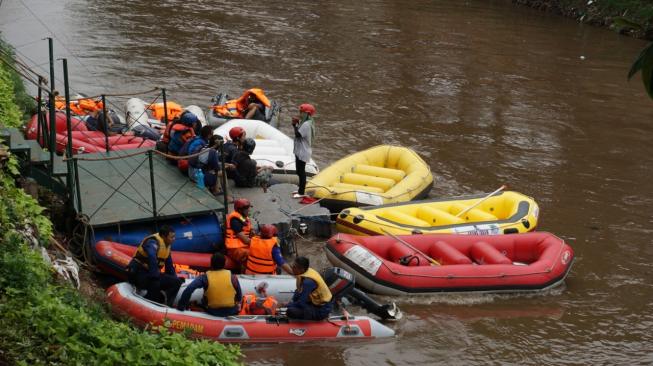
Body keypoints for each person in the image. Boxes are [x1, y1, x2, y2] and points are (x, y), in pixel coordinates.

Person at [127, 225, 183, 306]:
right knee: (155, 283)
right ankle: (148, 303)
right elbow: (152, 256)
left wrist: (174, 278)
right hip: (138, 273)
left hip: (150, 273)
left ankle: (166, 303)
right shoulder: (152, 242)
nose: (174, 239)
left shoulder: (167, 246)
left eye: (174, 237)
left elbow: (169, 266)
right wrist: (155, 276)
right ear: (164, 236)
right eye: (172, 237)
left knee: (176, 282)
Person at [176, 252, 242, 316]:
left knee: (197, 302)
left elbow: (189, 288)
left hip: (213, 311)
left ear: (211, 264)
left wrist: (181, 305)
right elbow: (239, 296)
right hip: (231, 311)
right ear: (224, 264)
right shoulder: (232, 276)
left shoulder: (205, 277)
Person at [286, 256, 333, 320]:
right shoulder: (305, 272)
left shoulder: (308, 282)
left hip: (322, 309)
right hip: (315, 304)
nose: (292, 268)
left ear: (301, 269)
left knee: (290, 311)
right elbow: (298, 291)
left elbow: (301, 303)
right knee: (294, 304)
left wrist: (286, 305)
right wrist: (292, 301)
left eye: (294, 267)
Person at [292, 103, 316, 198]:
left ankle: (301, 192)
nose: (300, 114)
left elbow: (298, 135)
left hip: (303, 151)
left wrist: (294, 125)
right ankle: (300, 189)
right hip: (300, 150)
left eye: (302, 112)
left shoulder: (306, 124)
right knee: (299, 171)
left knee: (301, 171)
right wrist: (297, 123)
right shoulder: (306, 122)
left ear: (307, 114)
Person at [224, 198, 254, 267]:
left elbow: (247, 230)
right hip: (234, 249)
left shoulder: (242, 218)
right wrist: (259, 242)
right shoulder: (235, 221)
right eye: (247, 209)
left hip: (243, 246)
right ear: (240, 210)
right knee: (251, 254)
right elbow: (246, 240)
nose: (249, 210)